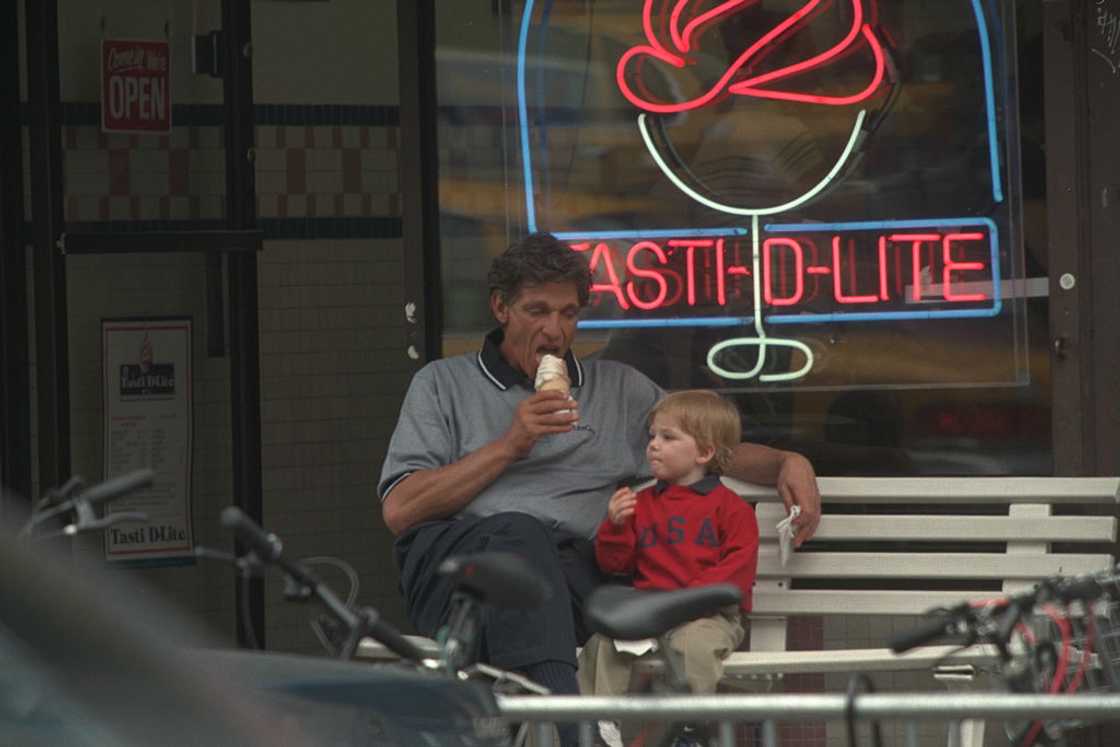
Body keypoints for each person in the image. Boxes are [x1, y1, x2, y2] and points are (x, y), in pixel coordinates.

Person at [378, 232, 820, 745]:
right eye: (537, 311)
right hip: (465, 577)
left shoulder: (618, 389)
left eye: (568, 314)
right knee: (521, 536)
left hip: (567, 579)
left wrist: (788, 460)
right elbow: (400, 511)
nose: (554, 331)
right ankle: (574, 731)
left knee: (582, 568)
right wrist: (510, 444)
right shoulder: (442, 384)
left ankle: (577, 723)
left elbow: (707, 446)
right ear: (500, 307)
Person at [577, 390, 757, 745]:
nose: (653, 446)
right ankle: (601, 725)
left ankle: (688, 727)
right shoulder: (640, 502)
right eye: (652, 436)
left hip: (709, 615)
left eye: (668, 437)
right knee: (603, 643)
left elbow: (736, 572)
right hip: (649, 614)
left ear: (704, 452)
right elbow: (615, 565)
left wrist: (682, 603)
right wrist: (615, 526)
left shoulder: (731, 509)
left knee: (694, 646)